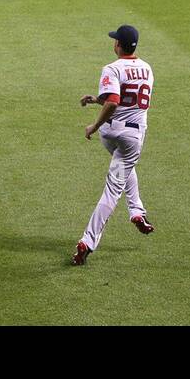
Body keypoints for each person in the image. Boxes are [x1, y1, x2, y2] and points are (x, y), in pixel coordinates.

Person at [72, 25, 155, 266]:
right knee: (120, 174)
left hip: (110, 132)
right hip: (133, 137)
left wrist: (94, 126)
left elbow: (114, 102)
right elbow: (124, 99)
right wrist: (99, 101)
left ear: (118, 45)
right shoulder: (147, 69)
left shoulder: (112, 68)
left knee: (119, 175)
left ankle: (134, 213)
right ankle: (93, 237)